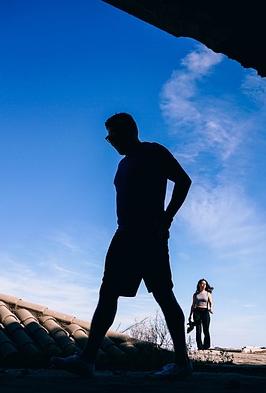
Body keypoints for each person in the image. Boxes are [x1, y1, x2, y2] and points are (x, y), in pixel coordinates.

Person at [52, 112, 193, 378]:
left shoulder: (154, 152)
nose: (111, 142)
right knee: (108, 293)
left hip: (150, 236)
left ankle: (183, 363)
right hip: (124, 235)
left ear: (130, 132)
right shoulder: (122, 165)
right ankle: (87, 360)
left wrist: (167, 218)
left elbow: (184, 181)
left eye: (113, 136)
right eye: (108, 138)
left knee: (163, 293)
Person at [188, 279, 214, 350]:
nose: (203, 285)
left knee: (206, 329)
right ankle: (200, 346)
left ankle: (206, 346)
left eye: (205, 284)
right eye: (202, 284)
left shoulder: (207, 293)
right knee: (198, 330)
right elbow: (193, 305)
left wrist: (211, 308)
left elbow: (211, 302)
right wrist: (190, 316)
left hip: (205, 311)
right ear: (199, 284)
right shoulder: (195, 294)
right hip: (197, 312)